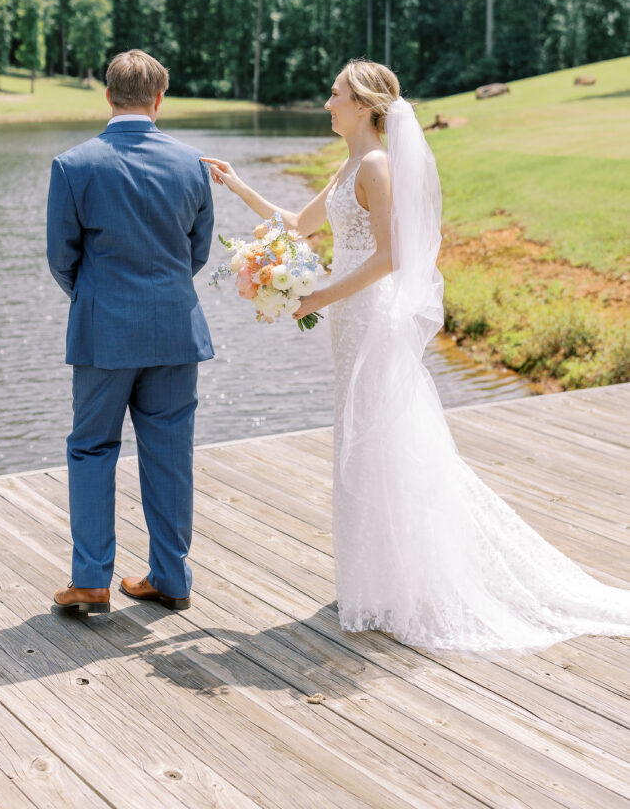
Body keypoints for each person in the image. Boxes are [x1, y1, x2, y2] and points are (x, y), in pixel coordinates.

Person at [202, 58, 630, 657]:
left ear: (363, 105)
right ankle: (373, 580)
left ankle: (401, 583)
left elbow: (392, 256)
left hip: (367, 313)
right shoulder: (348, 163)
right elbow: (298, 224)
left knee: (380, 435)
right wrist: (236, 183)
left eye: (334, 95)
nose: (326, 103)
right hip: (346, 318)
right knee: (359, 436)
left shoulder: (375, 166)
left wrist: (319, 293)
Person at [47, 49, 214, 614]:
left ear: (108, 94)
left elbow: (60, 258)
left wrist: (99, 299)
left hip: (103, 334)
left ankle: (92, 579)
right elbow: (197, 251)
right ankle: (171, 576)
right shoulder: (192, 163)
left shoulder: (73, 165)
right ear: (159, 98)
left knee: (92, 448)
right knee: (170, 452)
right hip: (174, 330)